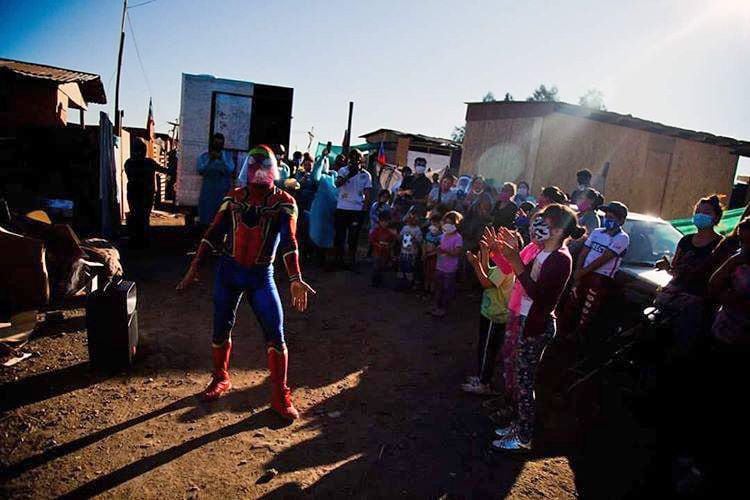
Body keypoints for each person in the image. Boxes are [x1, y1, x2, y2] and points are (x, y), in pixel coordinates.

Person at [176, 145, 315, 421]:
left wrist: (295, 277)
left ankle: (279, 395)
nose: (260, 174)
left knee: (276, 334)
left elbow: (290, 241)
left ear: (273, 171)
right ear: (248, 171)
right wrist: (194, 266)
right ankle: (220, 377)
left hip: (261, 275)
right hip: (230, 270)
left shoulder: (284, 202)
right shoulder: (235, 197)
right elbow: (214, 232)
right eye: (255, 168)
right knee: (221, 325)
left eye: (264, 168)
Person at [486, 205, 584, 451]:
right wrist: (511, 256)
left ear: (558, 229)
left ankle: (524, 436)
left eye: (545, 222)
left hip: (536, 325)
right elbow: (521, 276)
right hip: (525, 320)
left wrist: (515, 261)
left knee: (525, 382)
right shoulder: (542, 252)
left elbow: (537, 294)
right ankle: (518, 425)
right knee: (520, 380)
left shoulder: (561, 259)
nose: (537, 225)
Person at [655, 194, 725, 361]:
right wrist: (667, 267)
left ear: (716, 217)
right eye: (698, 211)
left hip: (697, 305)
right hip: (672, 298)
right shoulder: (686, 240)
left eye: (706, 212)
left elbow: (718, 279)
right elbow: (675, 271)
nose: (700, 215)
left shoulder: (721, 244)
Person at [561, 201, 629, 340]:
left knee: (588, 310)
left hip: (600, 278)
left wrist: (582, 272)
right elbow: (584, 252)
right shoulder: (598, 232)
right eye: (606, 216)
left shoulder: (622, 238)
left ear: (621, 221)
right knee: (571, 304)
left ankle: (578, 337)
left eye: (612, 218)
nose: (607, 219)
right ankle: (562, 332)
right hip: (583, 274)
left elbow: (603, 259)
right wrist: (578, 270)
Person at [462, 239, 515, 395]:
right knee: (484, 347)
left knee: (487, 350)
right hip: (491, 311)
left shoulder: (506, 266)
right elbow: (488, 270)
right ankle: (481, 376)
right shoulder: (504, 261)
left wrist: (475, 264)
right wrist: (485, 253)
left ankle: (484, 383)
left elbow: (486, 282)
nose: (497, 242)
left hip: (495, 314)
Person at [124, 138, 167, 246]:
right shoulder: (148, 162)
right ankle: (141, 239)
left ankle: (137, 239)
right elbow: (164, 170)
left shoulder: (129, 162)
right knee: (143, 217)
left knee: (137, 216)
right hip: (144, 193)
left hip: (136, 193)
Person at [334, 149, 373, 268]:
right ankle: (338, 261)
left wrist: (364, 211)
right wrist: (349, 175)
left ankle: (351, 261)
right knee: (340, 236)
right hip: (342, 208)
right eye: (352, 158)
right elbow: (337, 184)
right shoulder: (343, 170)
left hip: (357, 210)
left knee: (353, 237)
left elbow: (368, 194)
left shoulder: (366, 175)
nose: (354, 160)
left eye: (357, 158)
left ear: (361, 160)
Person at [431, 211, 464, 317]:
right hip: (440, 266)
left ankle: (444, 308)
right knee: (438, 288)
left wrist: (445, 252)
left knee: (447, 289)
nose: (447, 225)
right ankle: (436, 306)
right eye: (446, 222)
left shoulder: (458, 238)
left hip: (450, 269)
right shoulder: (443, 235)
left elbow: (457, 252)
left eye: (450, 223)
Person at [197, 133, 235, 226]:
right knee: (206, 218)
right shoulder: (204, 156)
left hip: (222, 192)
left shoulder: (227, 157)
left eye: (220, 144)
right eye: (216, 143)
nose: (218, 146)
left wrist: (221, 159)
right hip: (208, 193)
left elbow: (230, 169)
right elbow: (200, 170)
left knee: (220, 218)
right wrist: (210, 160)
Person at [308, 151, 339, 261]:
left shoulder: (337, 176)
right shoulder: (322, 178)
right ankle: (317, 258)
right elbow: (315, 174)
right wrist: (322, 157)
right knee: (318, 234)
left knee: (330, 236)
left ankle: (326, 259)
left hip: (333, 211)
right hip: (320, 210)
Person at [462, 176, 494, 251]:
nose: (477, 185)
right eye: (476, 183)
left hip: (478, 229)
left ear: (483, 185)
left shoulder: (485, 196)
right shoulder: (469, 194)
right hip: (467, 227)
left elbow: (484, 213)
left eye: (480, 183)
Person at [369, 211, 397, 287]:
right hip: (377, 252)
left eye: (386, 221)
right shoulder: (376, 230)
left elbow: (393, 241)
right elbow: (371, 240)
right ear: (380, 221)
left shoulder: (389, 232)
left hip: (385, 252)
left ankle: (380, 280)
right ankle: (374, 281)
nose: (384, 223)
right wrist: (377, 245)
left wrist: (390, 246)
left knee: (382, 266)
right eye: (383, 221)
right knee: (376, 266)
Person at [397, 209, 423, 289]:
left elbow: (419, 242)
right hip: (403, 251)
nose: (413, 220)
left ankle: (408, 285)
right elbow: (400, 238)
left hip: (412, 253)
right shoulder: (405, 227)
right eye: (411, 218)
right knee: (401, 268)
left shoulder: (418, 230)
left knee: (410, 269)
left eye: (415, 219)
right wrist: (399, 237)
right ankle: (401, 284)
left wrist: (414, 239)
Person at [423, 212, 443, 294]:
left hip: (434, 258)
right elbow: (424, 243)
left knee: (433, 275)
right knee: (426, 274)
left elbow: (440, 248)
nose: (434, 225)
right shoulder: (428, 234)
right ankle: (425, 290)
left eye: (436, 223)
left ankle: (432, 291)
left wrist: (431, 253)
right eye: (432, 223)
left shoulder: (441, 236)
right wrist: (424, 253)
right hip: (426, 256)